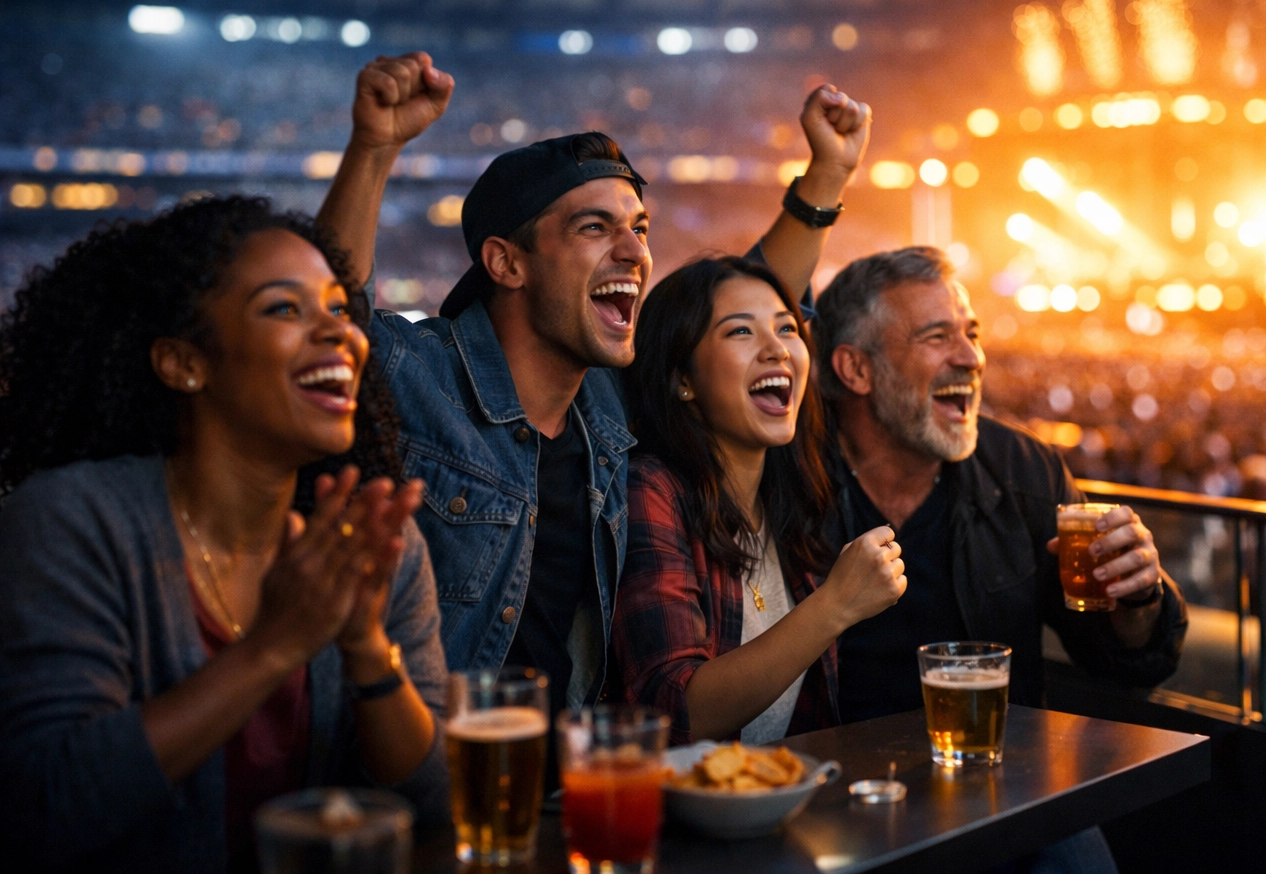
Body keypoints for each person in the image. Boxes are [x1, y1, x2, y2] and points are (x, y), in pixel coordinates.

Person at [314, 53, 871, 726]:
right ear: (507, 262)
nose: (636, 252)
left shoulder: (603, 405)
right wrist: (374, 149)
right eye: (594, 227)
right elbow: (332, 326)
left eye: (638, 227)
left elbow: (732, 309)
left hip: (563, 787)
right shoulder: (424, 378)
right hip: (422, 781)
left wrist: (826, 177)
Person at [0, 197, 447, 873]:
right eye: (283, 309)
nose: (339, 333)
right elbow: (44, 807)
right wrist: (274, 646)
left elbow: (437, 798)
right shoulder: (73, 520)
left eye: (337, 307)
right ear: (184, 363)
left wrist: (365, 647)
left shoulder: (366, 542)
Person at [812, 245, 1188, 874]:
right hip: (834, 792)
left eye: (972, 334)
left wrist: (1140, 598)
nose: (971, 356)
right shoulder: (789, 481)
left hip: (997, 789)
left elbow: (1127, 662)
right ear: (855, 368)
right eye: (938, 337)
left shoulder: (1025, 471)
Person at [611, 256, 905, 744]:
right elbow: (671, 711)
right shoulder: (650, 491)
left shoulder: (793, 498)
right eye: (741, 333)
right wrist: (834, 605)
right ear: (681, 377)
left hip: (783, 801)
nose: (778, 350)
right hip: (682, 811)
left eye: (788, 328)